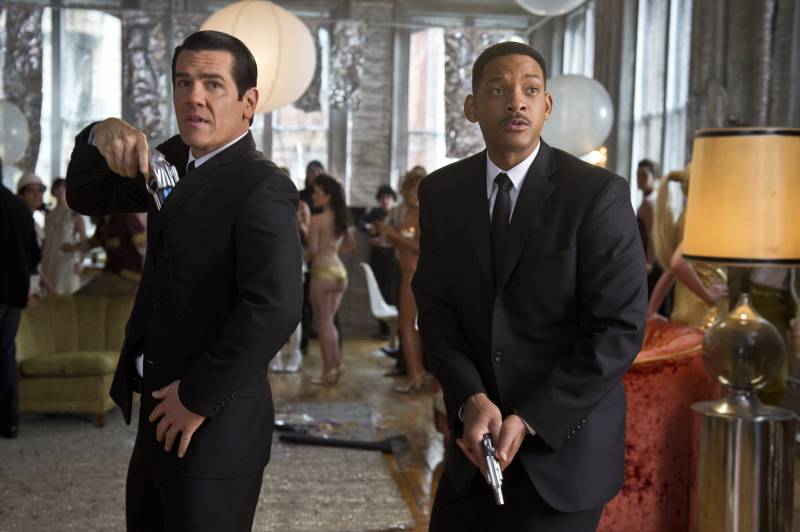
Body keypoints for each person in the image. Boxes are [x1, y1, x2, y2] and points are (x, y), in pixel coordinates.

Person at [65, 30, 302, 532]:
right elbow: (86, 197)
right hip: (155, 409)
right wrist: (97, 133)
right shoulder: (172, 159)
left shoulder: (263, 185)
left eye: (213, 84)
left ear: (248, 102)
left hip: (212, 419)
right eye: (183, 82)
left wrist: (195, 397)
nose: (194, 96)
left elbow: (274, 307)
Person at [412, 42, 647, 530]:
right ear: (472, 107)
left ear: (547, 105)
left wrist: (531, 417)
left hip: (563, 452)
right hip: (474, 448)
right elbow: (435, 311)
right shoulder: (441, 192)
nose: (516, 101)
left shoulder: (597, 195)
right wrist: (470, 397)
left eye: (531, 90)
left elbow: (618, 328)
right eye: (498, 90)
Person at [647, 168, 728, 330]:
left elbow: (671, 270)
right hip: (704, 315)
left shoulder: (687, 216)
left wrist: (652, 311)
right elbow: (677, 263)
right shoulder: (703, 217)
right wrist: (708, 296)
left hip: (686, 312)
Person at [376, 167, 429, 393]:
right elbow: (400, 243)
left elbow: (421, 247)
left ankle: (416, 374)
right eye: (410, 190)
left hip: (416, 273)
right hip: (405, 271)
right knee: (407, 326)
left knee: (407, 326)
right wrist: (389, 235)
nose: (413, 195)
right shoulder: (406, 213)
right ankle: (416, 372)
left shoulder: (424, 213)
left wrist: (394, 235)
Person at [0, 161, 42, 439]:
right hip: (15, 294)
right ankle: (9, 422)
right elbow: (34, 255)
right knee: (6, 355)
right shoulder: (19, 208)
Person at [306, 174, 354, 385]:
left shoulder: (317, 219)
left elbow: (312, 250)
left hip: (322, 273)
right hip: (339, 272)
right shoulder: (342, 218)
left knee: (323, 323)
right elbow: (350, 246)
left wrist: (303, 260)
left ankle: (328, 371)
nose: (313, 196)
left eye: (317, 192)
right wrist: (332, 251)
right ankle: (337, 365)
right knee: (329, 322)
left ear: (328, 196)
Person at [70, 213, 147, 296]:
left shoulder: (126, 217)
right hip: (111, 273)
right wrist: (72, 247)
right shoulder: (103, 221)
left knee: (83, 297)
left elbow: (144, 247)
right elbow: (93, 243)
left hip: (128, 277)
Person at [358, 184, 399, 340]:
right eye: (382, 198)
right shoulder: (376, 213)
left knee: (392, 291)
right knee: (379, 291)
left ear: (393, 199)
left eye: (388, 198)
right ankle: (384, 330)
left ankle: (395, 331)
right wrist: (370, 228)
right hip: (378, 256)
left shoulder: (398, 213)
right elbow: (360, 222)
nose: (385, 201)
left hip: (393, 257)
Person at [41, 178, 86, 295]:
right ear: (53, 191)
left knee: (67, 294)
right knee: (50, 294)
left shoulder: (75, 214)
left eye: (63, 187)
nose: (60, 190)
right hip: (49, 258)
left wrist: (81, 262)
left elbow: (84, 240)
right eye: (57, 187)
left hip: (67, 260)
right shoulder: (48, 216)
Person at [17, 172, 50, 298]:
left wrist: (46, 285)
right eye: (31, 191)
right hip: (22, 291)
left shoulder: (36, 226)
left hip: (34, 288)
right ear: (21, 195)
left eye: (40, 191)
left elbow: (36, 264)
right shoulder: (17, 223)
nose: (37, 195)